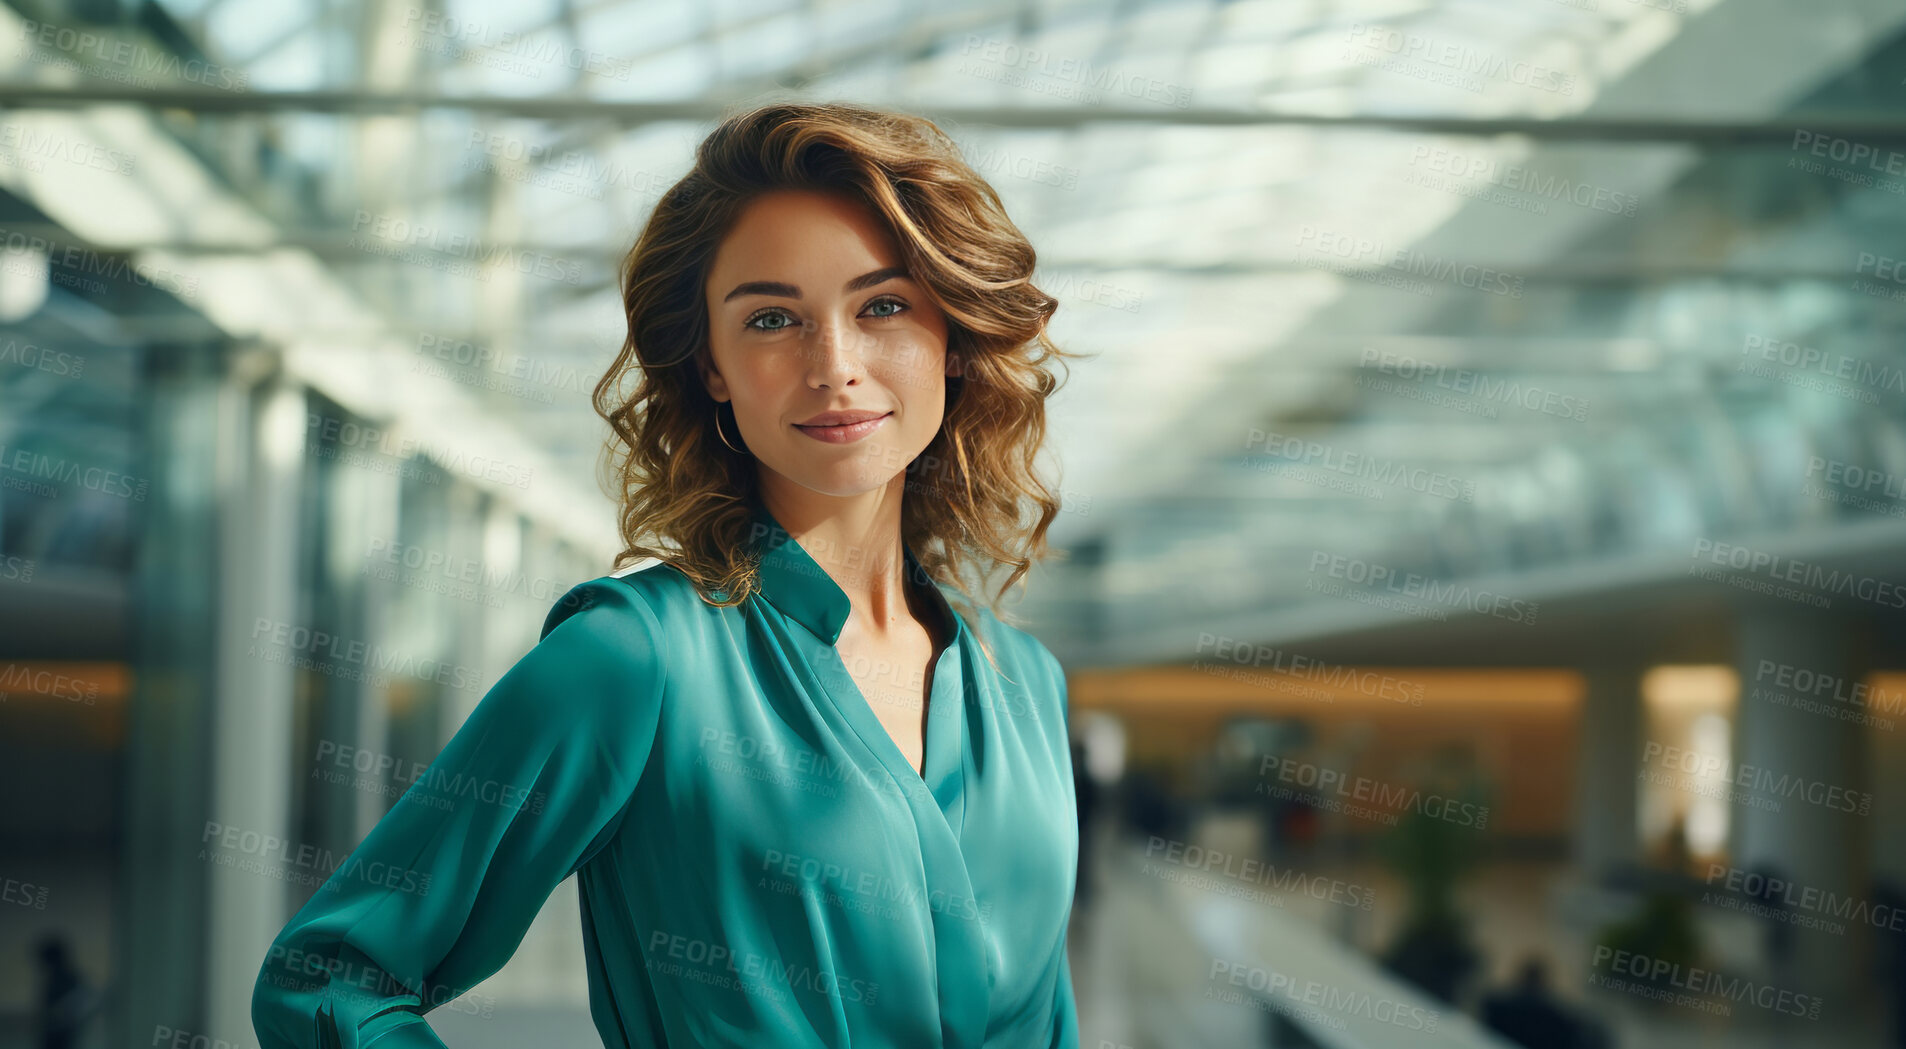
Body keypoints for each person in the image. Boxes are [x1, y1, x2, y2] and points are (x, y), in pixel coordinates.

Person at [251, 101, 1087, 1049]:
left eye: (882, 304)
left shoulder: (1028, 685)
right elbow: (328, 982)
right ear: (714, 366)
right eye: (772, 319)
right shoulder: (632, 659)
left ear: (954, 329)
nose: (834, 366)